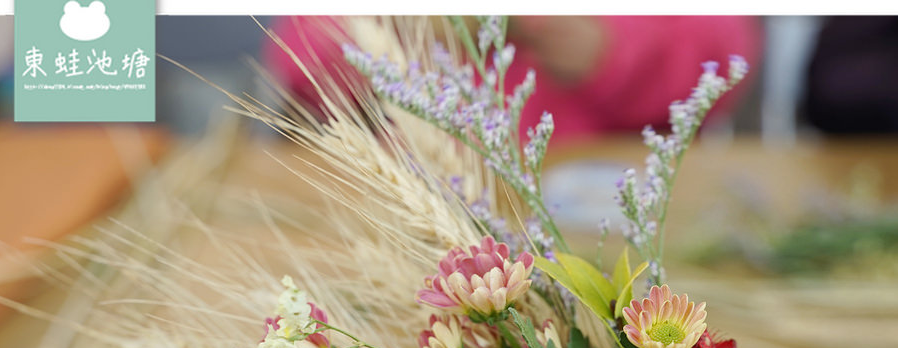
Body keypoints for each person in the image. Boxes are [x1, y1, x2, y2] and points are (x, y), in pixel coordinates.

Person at [262, 16, 762, 143]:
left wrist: (612, 54)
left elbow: (725, 57)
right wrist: (396, 31)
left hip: (605, 207)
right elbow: (298, 60)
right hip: (430, 195)